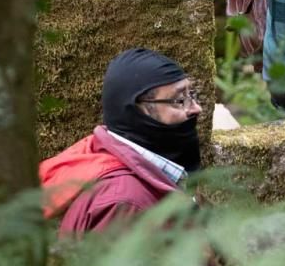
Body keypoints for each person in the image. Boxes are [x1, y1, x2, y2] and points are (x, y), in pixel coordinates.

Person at [39, 48, 202, 237]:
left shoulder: (149, 174)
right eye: (180, 100)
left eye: (192, 95)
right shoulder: (122, 206)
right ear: (138, 111)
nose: (196, 108)